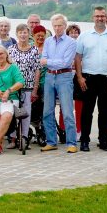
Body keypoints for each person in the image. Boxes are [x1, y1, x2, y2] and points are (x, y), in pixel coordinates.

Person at [74, 7, 107, 152]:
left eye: (102, 16)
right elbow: (78, 57)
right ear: (93, 18)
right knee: (87, 112)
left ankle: (103, 141)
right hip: (88, 79)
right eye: (97, 16)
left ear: (106, 17)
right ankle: (84, 140)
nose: (100, 18)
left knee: (105, 112)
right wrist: (79, 77)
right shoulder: (84, 36)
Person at [40, 14, 78, 153]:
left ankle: (71, 143)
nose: (57, 28)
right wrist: (49, 61)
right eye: (55, 25)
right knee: (47, 111)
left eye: (60, 25)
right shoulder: (48, 41)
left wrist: (49, 61)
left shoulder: (71, 42)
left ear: (65, 26)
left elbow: (65, 62)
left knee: (67, 111)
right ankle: (51, 142)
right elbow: (42, 58)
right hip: (50, 77)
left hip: (64, 76)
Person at [8, 24, 40, 149]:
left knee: (26, 114)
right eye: (20, 32)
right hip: (13, 87)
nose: (22, 35)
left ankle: (24, 138)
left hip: (28, 87)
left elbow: (37, 70)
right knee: (11, 113)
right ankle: (12, 138)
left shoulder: (34, 50)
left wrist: (35, 89)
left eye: (25, 32)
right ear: (16, 34)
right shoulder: (11, 49)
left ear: (29, 34)